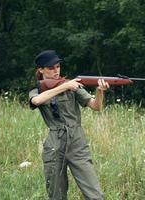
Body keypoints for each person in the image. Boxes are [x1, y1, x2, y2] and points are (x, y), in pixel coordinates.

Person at [29, 50, 109, 200]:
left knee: (95, 194)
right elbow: (37, 101)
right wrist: (65, 86)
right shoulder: (38, 89)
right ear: (40, 70)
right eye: (51, 68)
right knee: (56, 194)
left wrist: (100, 91)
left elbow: (96, 106)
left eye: (58, 67)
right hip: (54, 143)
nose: (56, 71)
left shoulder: (73, 86)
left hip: (77, 141)